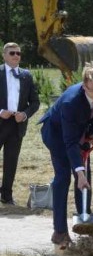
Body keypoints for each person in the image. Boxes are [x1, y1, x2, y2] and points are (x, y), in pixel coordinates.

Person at [39, 62, 93, 249]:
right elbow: (70, 142)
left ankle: (85, 222)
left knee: (84, 178)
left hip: (78, 131)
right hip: (56, 135)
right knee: (64, 178)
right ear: (84, 85)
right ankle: (60, 231)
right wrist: (78, 171)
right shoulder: (70, 102)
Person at [0, 42, 40, 206]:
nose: (16, 56)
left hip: (17, 125)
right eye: (12, 53)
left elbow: (35, 103)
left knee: (11, 161)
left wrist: (24, 115)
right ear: (4, 55)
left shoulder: (26, 75)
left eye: (18, 53)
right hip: (0, 121)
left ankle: (6, 196)